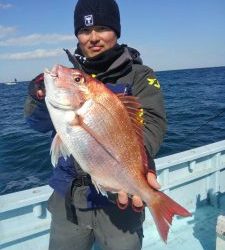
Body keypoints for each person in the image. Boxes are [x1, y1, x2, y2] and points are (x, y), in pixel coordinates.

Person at [24, 0, 167, 249]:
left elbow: (153, 122)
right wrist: (37, 97)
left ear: (116, 31)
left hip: (118, 202)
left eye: (102, 28)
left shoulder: (140, 76)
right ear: (77, 35)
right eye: (84, 30)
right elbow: (36, 124)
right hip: (68, 198)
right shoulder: (67, 79)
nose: (93, 37)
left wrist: (141, 162)